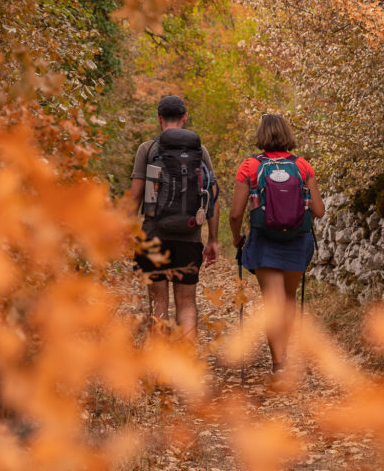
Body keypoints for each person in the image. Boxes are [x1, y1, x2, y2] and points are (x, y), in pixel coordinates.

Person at [229, 113, 325, 376]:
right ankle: (288, 358)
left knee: (272, 303)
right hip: (296, 240)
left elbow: (236, 213)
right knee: (289, 300)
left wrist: (237, 237)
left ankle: (279, 363)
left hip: (264, 241)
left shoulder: (249, 166)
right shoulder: (303, 166)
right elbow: (318, 211)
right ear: (287, 134)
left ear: (261, 134)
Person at [129, 95, 219, 341]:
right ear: (184, 118)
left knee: (158, 303)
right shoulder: (200, 151)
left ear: (159, 118)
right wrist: (212, 238)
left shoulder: (147, 149)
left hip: (153, 237)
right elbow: (212, 198)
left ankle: (159, 371)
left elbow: (135, 197)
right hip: (189, 237)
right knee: (187, 304)